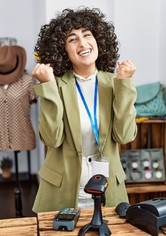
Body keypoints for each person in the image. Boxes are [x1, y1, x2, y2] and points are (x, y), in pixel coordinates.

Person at [32, 7, 137, 212]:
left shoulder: (114, 82)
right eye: (72, 39)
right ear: (63, 50)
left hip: (107, 190)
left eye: (87, 35)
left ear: (98, 40)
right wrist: (48, 87)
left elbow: (124, 136)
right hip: (63, 191)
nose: (82, 43)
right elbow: (52, 139)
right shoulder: (56, 85)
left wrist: (125, 84)